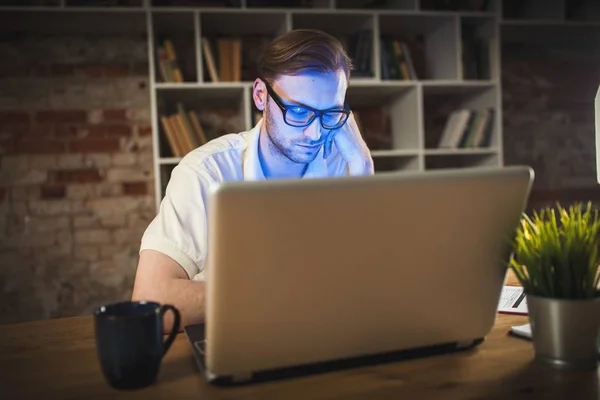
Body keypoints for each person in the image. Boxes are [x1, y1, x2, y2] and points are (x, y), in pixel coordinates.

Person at [131, 29, 374, 330]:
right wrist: (279, 298)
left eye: (330, 114)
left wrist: (363, 165)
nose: (314, 134)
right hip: (239, 335)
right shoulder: (207, 173)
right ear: (261, 95)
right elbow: (151, 300)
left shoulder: (345, 167)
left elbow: (370, 283)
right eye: (298, 112)